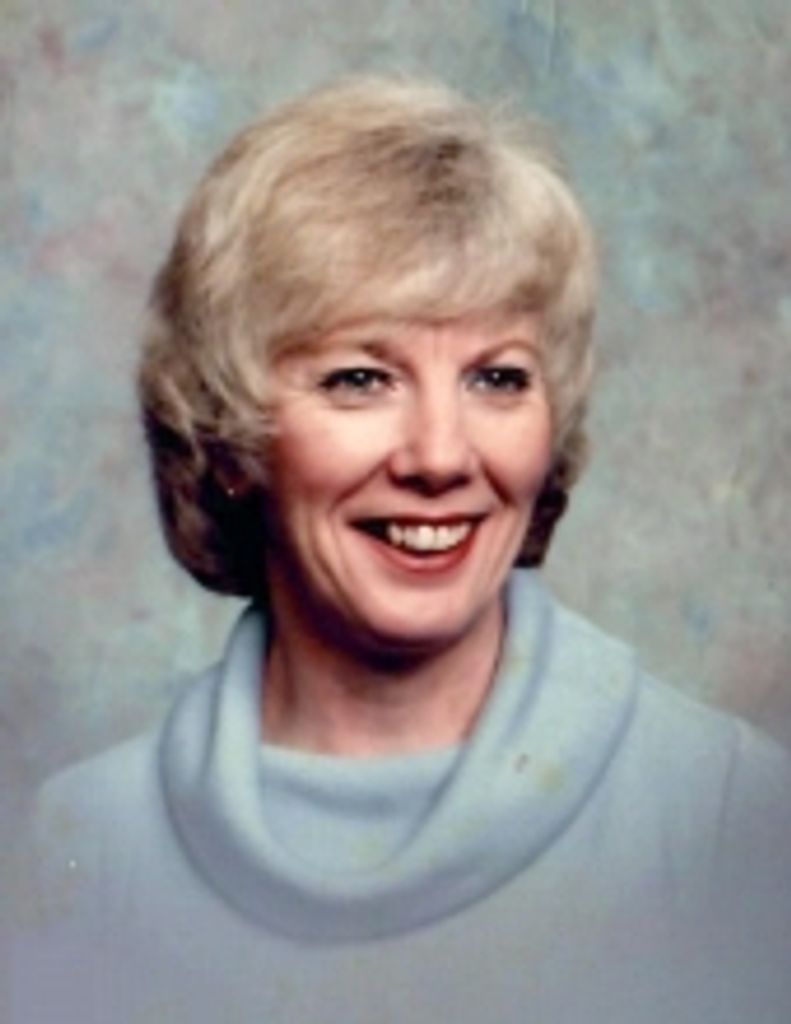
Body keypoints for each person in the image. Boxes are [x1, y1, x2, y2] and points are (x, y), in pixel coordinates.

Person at [9, 76, 791, 1023]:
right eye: (359, 379)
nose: (440, 456)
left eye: (497, 378)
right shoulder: (81, 848)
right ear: (228, 440)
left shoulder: (727, 816)